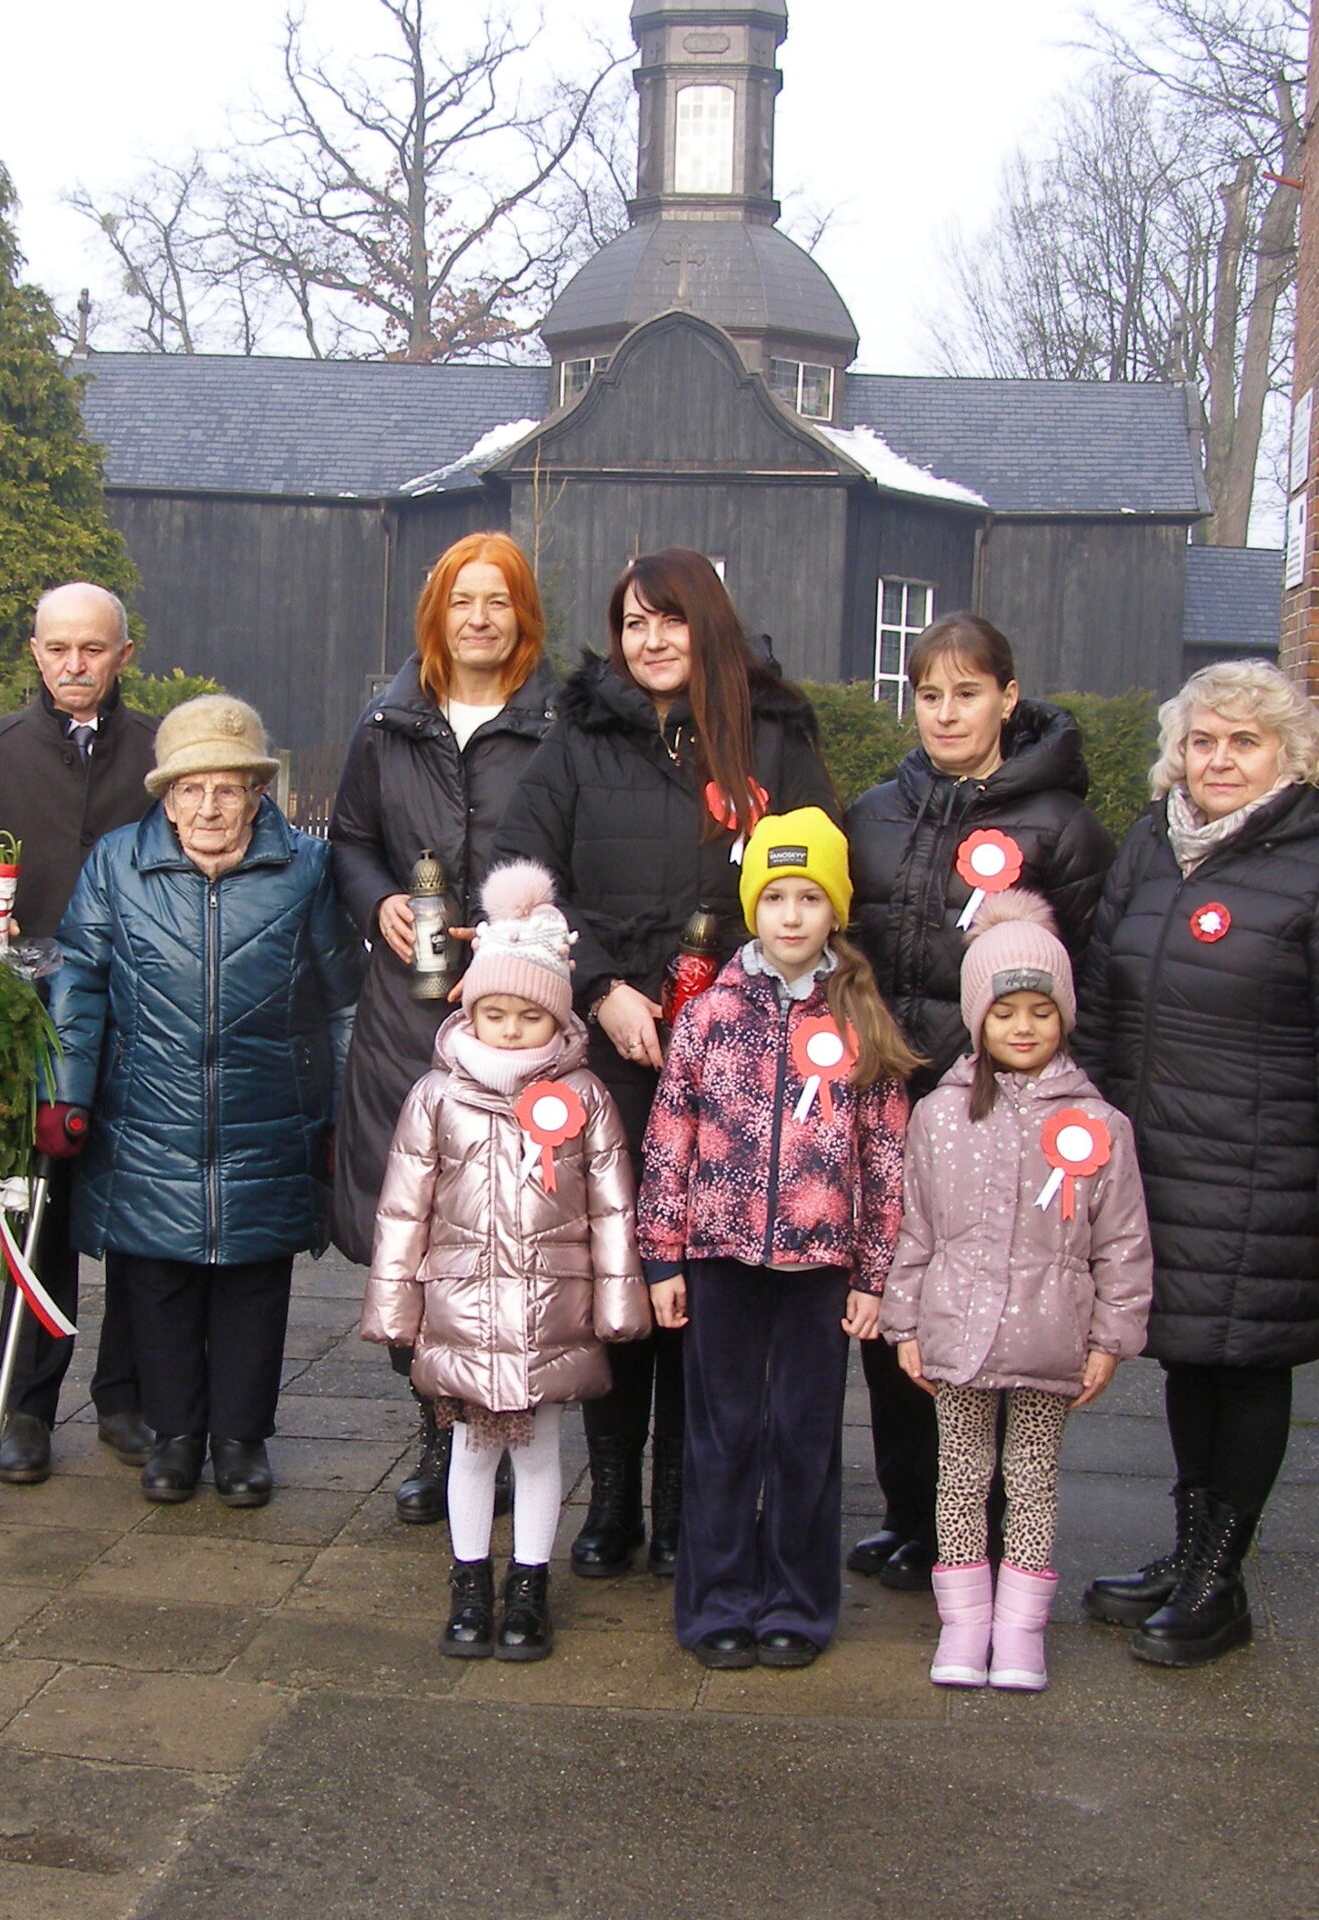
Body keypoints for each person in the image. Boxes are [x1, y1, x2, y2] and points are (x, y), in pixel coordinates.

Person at [495, 547, 837, 1580]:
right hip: (615, 1047)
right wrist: (598, 982)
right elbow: (521, 871)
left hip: (740, 1054)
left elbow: (816, 881)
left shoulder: (772, 733)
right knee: (619, 1268)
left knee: (705, 1275)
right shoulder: (579, 736)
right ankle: (612, 1500)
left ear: (709, 626)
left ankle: (690, 1497)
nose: (650, 642)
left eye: (670, 620)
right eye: (633, 623)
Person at [1074, 661, 1319, 1666]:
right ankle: (1187, 1555)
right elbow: (1101, 994)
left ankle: (1220, 1581)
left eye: (1244, 743)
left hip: (1270, 1164)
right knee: (1189, 1351)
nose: (1218, 761)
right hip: (1160, 1159)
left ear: (1291, 757)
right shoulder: (1153, 845)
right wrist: (1084, 1133)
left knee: (1248, 1359)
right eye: (1203, 741)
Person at [841, 612, 1116, 1594]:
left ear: (1008, 697)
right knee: (901, 1310)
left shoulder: (1061, 829)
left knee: (1003, 1315)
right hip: (893, 1108)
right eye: (929, 695)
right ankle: (914, 1514)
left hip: (1007, 1116)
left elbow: (1096, 980)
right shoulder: (872, 815)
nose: (947, 713)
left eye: (967, 693)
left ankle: (995, 1523)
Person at [42, 696, 360, 1506]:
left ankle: (242, 1441)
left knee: (255, 1284)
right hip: (146, 1109)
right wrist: (67, 1092)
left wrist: (347, 1113)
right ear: (167, 795)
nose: (208, 807)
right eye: (190, 789)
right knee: (158, 1283)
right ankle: (177, 1437)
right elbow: (79, 979)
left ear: (258, 792)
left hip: (269, 1111)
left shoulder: (307, 868)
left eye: (227, 788)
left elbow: (343, 999)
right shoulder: (117, 862)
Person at [640, 808, 914, 1669]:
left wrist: (873, 1273)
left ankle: (797, 1601)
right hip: (719, 1258)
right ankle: (717, 1599)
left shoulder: (862, 1017)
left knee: (803, 1437)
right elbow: (669, 1138)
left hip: (819, 1266)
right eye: (775, 897)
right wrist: (662, 1255)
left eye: (809, 897)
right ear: (751, 906)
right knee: (723, 1435)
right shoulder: (708, 1014)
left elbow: (886, 1156)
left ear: (836, 908)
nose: (791, 916)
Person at [361, 861, 647, 1661]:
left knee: (541, 1447)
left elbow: (612, 1208)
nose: (512, 1029)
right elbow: (404, 1209)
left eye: (529, 1015)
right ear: (470, 1010)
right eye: (495, 1013)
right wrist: (394, 1307)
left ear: (555, 1015)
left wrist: (618, 1303)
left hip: (551, 1310)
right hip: (461, 1308)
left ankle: (528, 1584)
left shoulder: (585, 1097)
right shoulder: (436, 1097)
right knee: (471, 1448)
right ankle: (468, 1582)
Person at [331, 532, 557, 1525]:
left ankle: (512, 1432)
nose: (478, 618)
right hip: (405, 1014)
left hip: (518, 1012)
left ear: (522, 616)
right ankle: (439, 1431)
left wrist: (526, 929)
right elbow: (349, 839)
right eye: (462, 600)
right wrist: (376, 898)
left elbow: (577, 849)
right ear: (436, 615)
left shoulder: (555, 726)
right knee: (417, 1228)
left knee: (514, 1231)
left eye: (497, 601)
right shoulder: (387, 724)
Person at [884, 891, 1152, 1692]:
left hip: (1050, 1335)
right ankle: (965, 1623)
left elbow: (1122, 1242)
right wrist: (904, 1322)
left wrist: (1110, 1340)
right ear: (978, 1019)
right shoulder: (939, 1116)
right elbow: (916, 1227)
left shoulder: (1099, 1124)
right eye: (1005, 1013)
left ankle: (1022, 1629)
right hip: (957, 1332)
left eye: (1041, 1011)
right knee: (960, 1479)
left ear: (1065, 1015)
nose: (1024, 1028)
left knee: (1032, 1482)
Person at [0, 582, 160, 1484]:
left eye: (93, 648)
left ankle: (129, 1395)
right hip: (32, 1022)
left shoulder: (160, 753)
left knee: (143, 1217)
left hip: (145, 1019)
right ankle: (28, 1404)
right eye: (58, 648)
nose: (75, 665)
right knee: (39, 1217)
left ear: (124, 655)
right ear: (35, 652)